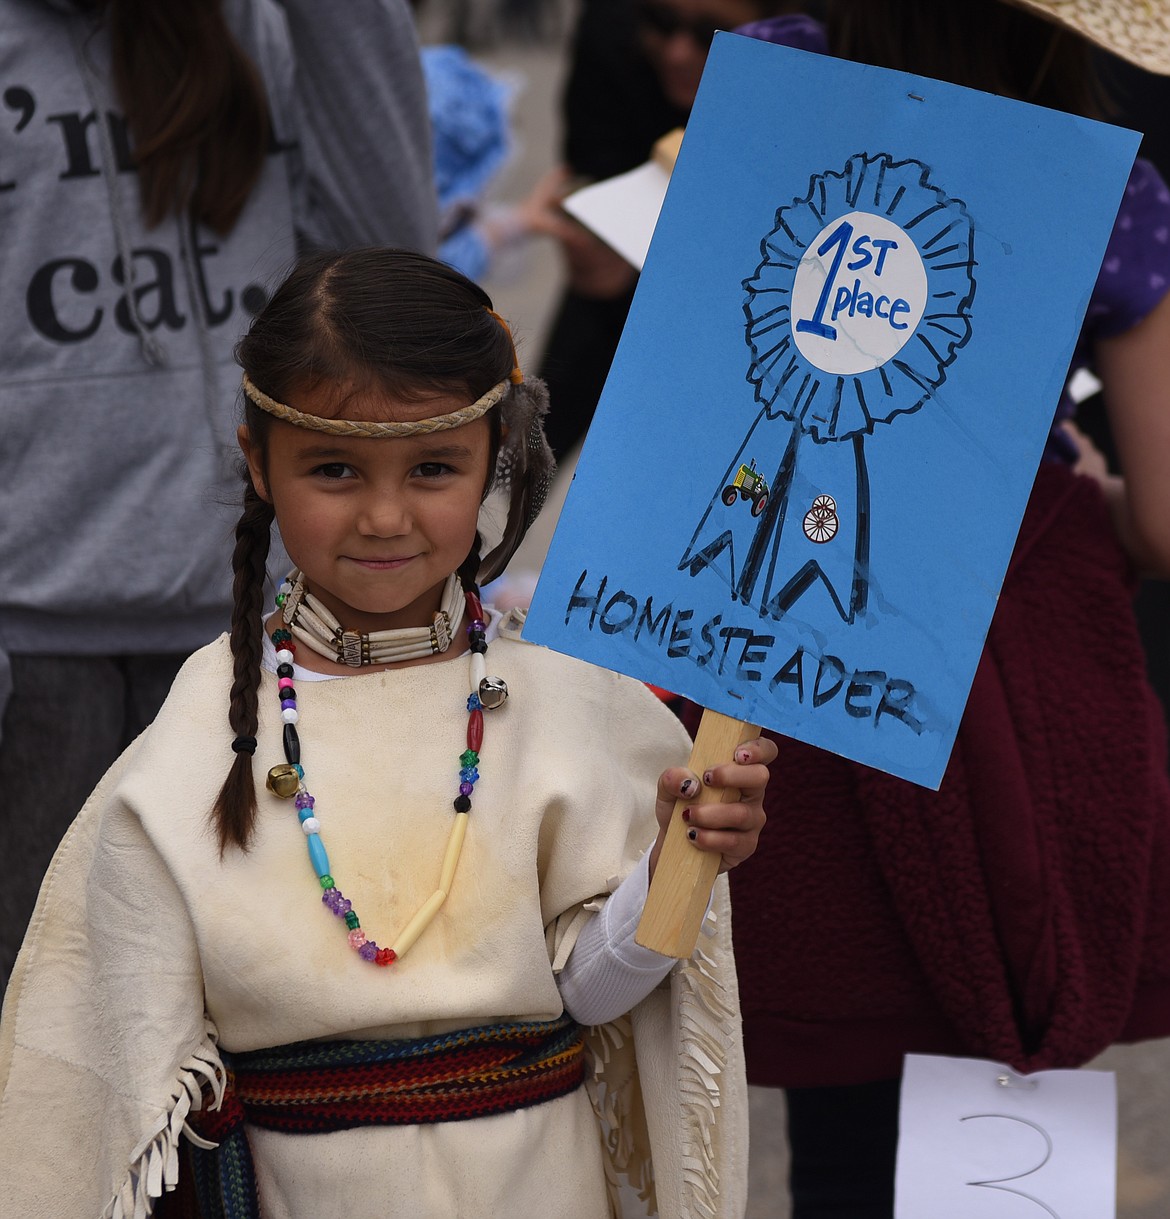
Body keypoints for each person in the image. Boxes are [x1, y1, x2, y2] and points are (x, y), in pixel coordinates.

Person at [0, 247, 776, 1218]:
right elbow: (110, 1069)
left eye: (433, 468)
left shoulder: (579, 706)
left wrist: (675, 862)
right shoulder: (202, 733)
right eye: (333, 468)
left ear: (495, 457)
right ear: (258, 460)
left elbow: (591, 993)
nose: (383, 514)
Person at [719, 3, 1170, 1215]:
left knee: (848, 1127)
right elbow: (1168, 516)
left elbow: (707, 383)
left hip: (804, 630)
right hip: (1025, 677)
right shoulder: (1110, 177)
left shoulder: (773, 78)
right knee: (994, 1126)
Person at [0, 0, 437, 992]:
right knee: (41, 1029)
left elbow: (387, 273)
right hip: (32, 661)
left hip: (248, 626)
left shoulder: (263, 27)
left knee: (250, 1008)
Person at [534, 0, 814, 460]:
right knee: (529, 450)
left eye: (712, 35)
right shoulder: (612, 32)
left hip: (770, 286)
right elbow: (593, 162)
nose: (678, 53)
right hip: (620, 270)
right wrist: (597, 234)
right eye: (662, 23)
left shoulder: (820, 63)